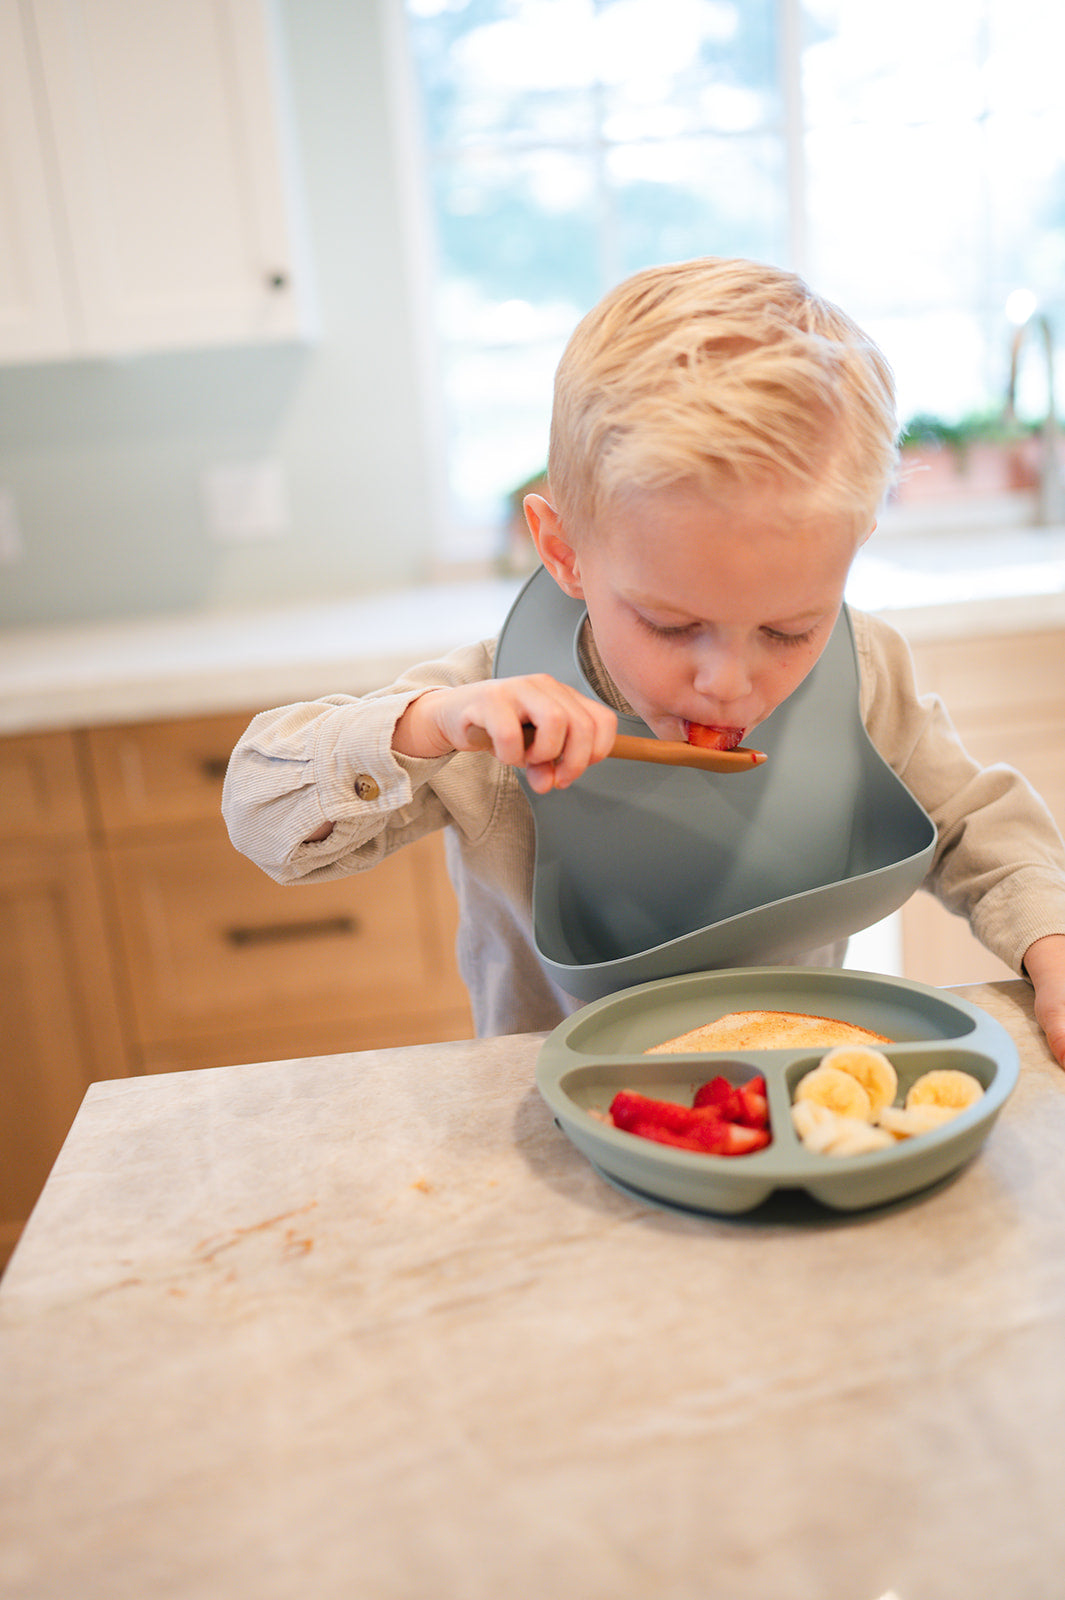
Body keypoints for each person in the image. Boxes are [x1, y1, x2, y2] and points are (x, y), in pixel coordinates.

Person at [222, 257, 1065, 1065]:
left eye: (787, 630)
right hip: (555, 1139)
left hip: (788, 1107)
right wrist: (425, 726)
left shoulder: (866, 673)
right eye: (670, 625)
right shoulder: (491, 712)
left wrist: (1050, 942)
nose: (729, 683)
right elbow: (264, 821)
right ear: (563, 550)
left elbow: (973, 822)